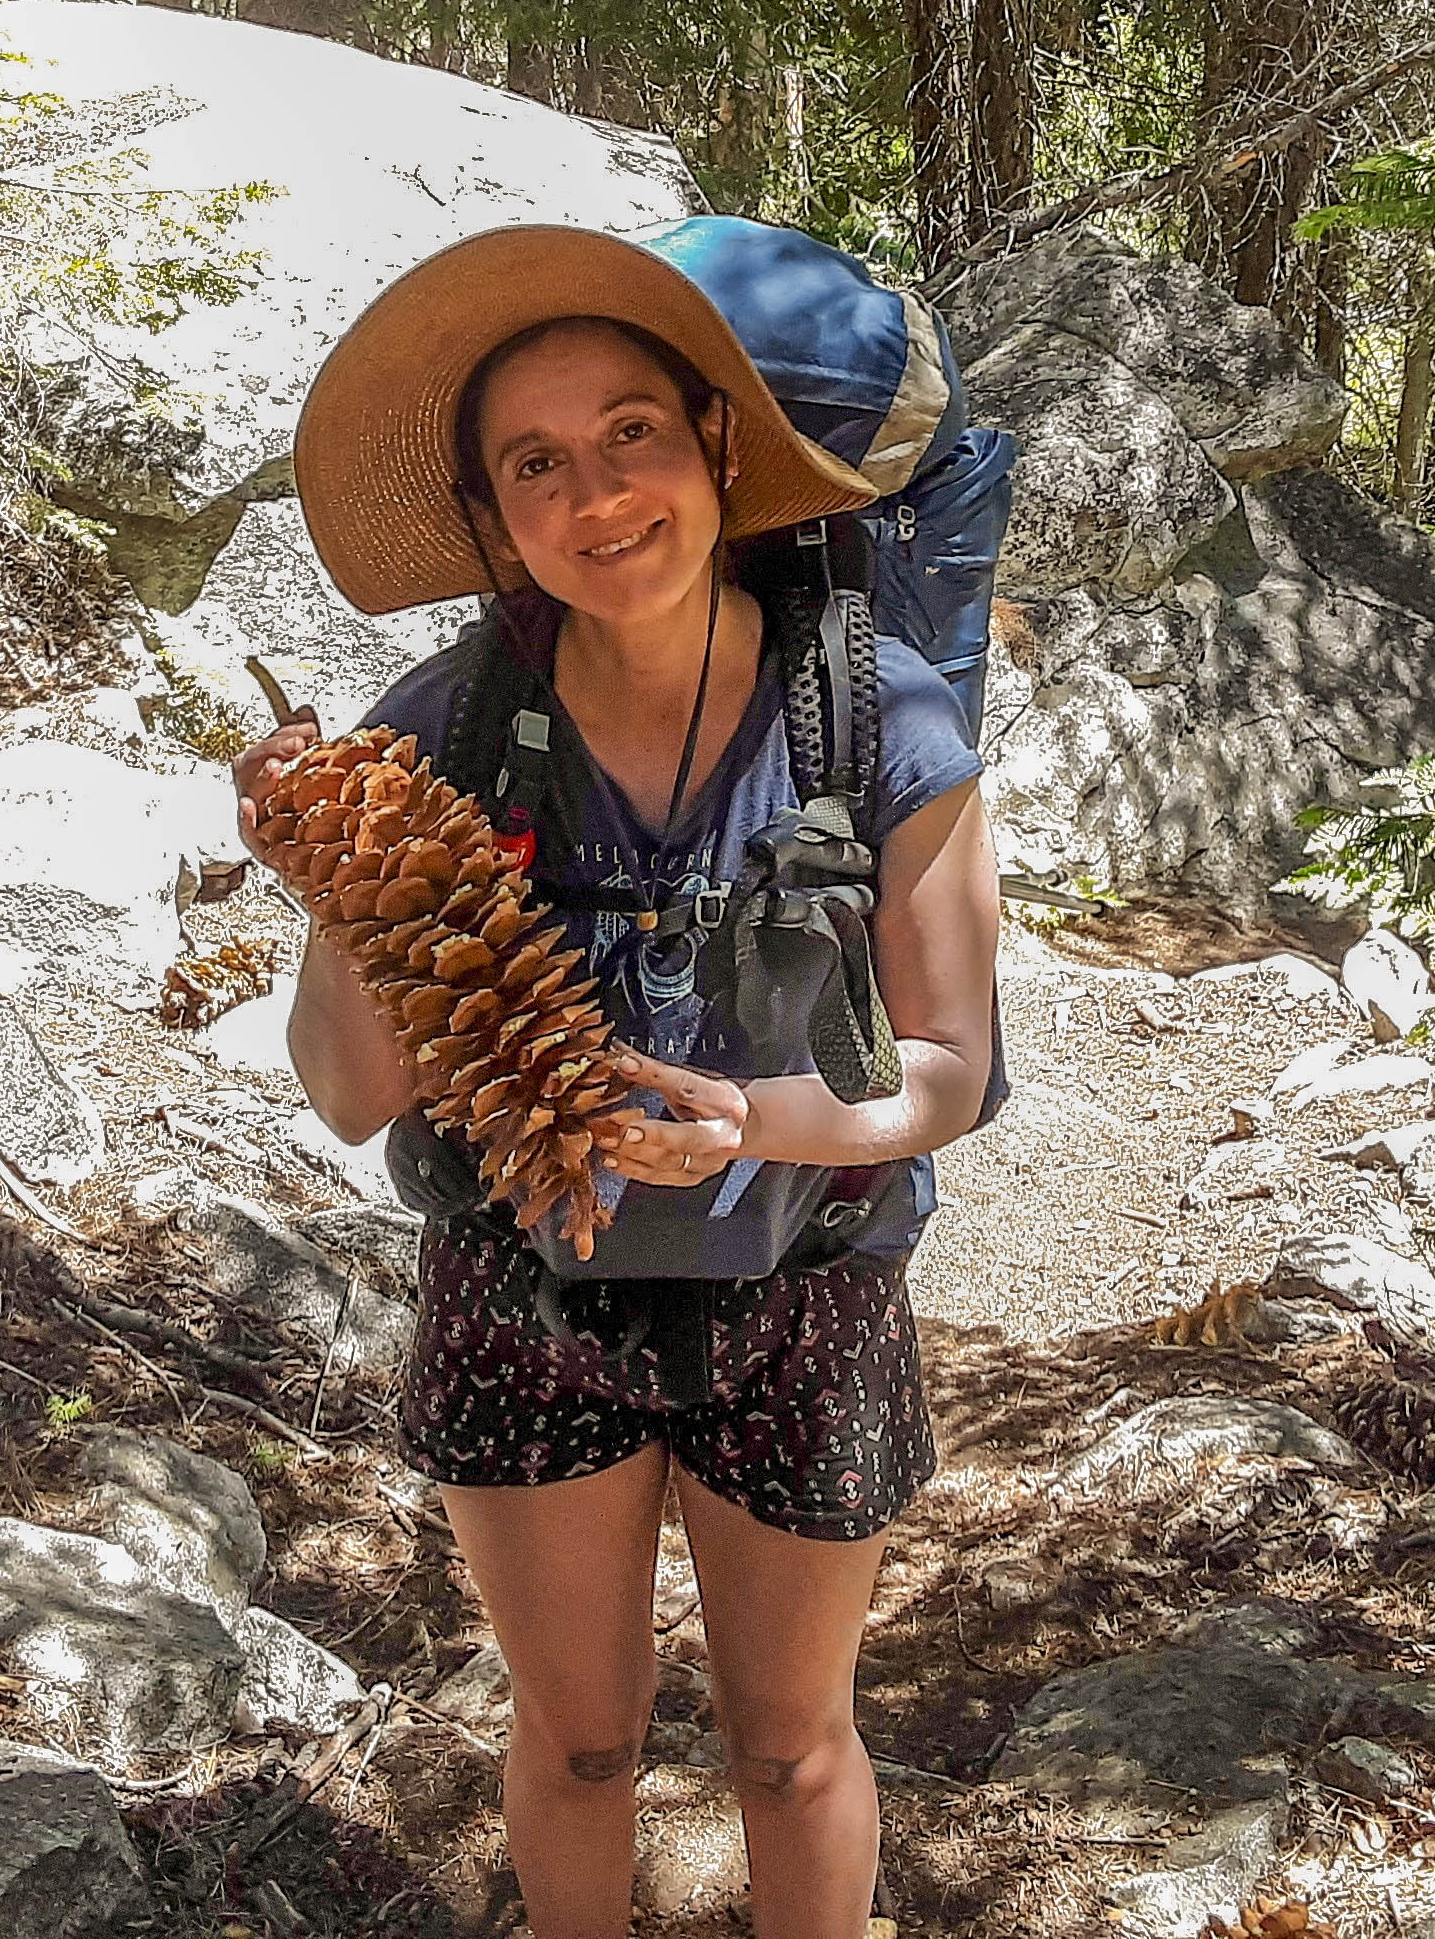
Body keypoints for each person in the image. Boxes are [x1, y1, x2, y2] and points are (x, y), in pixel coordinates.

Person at [232, 223, 1003, 1939]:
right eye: (536, 464)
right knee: (578, 1742)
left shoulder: (879, 721)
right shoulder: (441, 728)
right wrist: (339, 870)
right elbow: (352, 1094)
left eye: (632, 432)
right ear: (493, 513)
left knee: (791, 1750)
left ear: (718, 443)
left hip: (807, 1288)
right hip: (521, 1291)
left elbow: (953, 1066)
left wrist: (768, 1124)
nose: (596, 495)